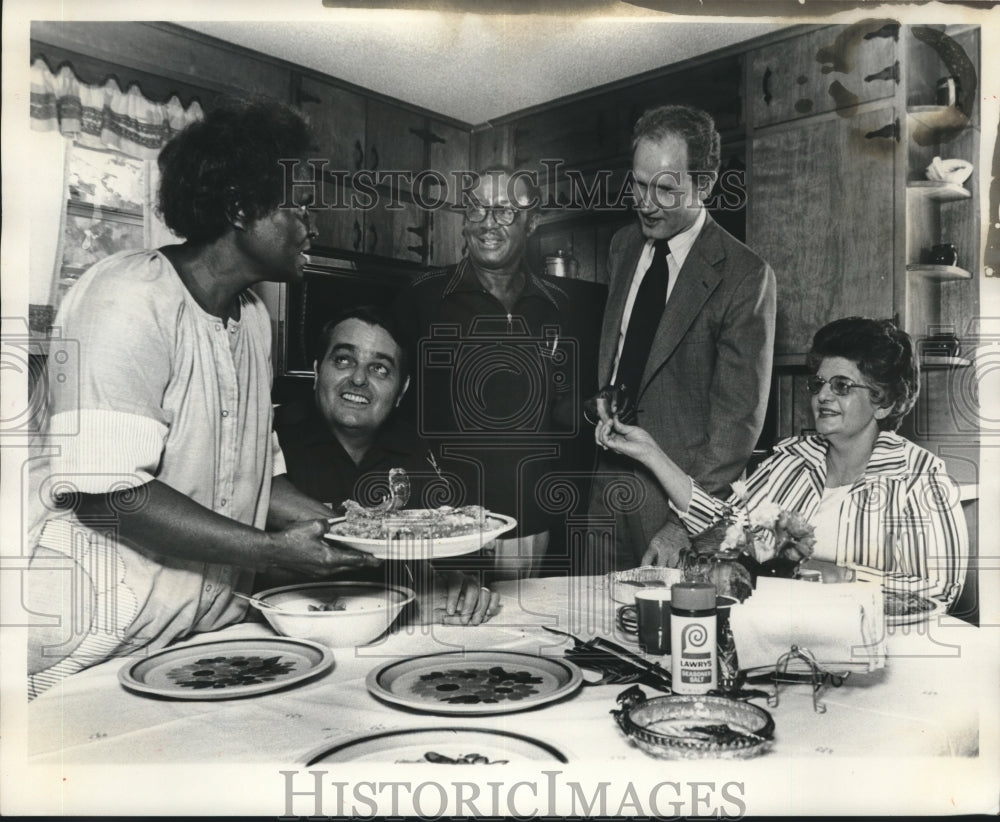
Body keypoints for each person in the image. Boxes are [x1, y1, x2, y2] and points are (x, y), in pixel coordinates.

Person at [25, 100, 379, 697]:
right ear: (240, 208)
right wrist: (270, 551)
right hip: (88, 630)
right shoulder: (127, 296)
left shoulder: (254, 318)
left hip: (196, 629)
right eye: (300, 207)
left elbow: (257, 476)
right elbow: (107, 494)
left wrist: (354, 528)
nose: (312, 226)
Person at [596, 317, 968, 603]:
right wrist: (651, 454)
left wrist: (839, 577)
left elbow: (940, 588)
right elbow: (724, 534)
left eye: (841, 385)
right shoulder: (789, 460)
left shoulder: (920, 478)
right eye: (818, 384)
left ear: (883, 402)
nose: (823, 396)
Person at [590, 104, 776, 570]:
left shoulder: (745, 276)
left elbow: (737, 425)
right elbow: (630, 355)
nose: (646, 203)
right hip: (605, 487)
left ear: (705, 184)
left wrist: (681, 524)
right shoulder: (622, 246)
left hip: (676, 504)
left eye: (666, 189)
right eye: (638, 184)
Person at [392, 166, 580, 580]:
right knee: (443, 621)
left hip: (528, 523)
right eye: (476, 209)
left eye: (505, 211)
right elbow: (389, 410)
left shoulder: (557, 305)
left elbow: (564, 412)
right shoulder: (423, 296)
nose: (488, 223)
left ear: (532, 222)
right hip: (443, 523)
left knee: (521, 622)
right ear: (464, 222)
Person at [274, 305, 501, 624]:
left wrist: (461, 584)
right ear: (316, 370)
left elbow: (453, 541)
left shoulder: (415, 449)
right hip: (288, 625)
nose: (358, 378)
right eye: (343, 360)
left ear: (401, 390)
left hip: (395, 628)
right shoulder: (269, 435)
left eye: (379, 368)